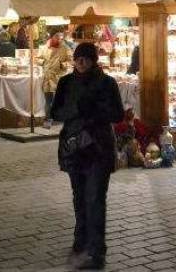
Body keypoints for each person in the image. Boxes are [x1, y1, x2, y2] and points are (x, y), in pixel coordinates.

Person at [52, 43, 125, 270]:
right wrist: (75, 109)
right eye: (78, 58)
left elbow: (117, 114)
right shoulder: (66, 83)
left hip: (98, 148)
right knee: (79, 196)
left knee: (95, 198)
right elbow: (55, 112)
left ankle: (96, 251)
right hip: (74, 148)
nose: (81, 62)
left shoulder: (107, 83)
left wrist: (93, 111)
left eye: (85, 58)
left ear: (94, 60)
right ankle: (81, 237)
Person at [39, 32, 73, 129]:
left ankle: (58, 119)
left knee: (58, 99)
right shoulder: (44, 47)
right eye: (57, 36)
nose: (59, 38)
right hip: (48, 77)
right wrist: (43, 62)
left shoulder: (65, 48)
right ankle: (48, 120)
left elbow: (71, 60)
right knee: (48, 100)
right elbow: (38, 59)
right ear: (52, 36)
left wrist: (62, 65)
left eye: (60, 37)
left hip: (59, 77)